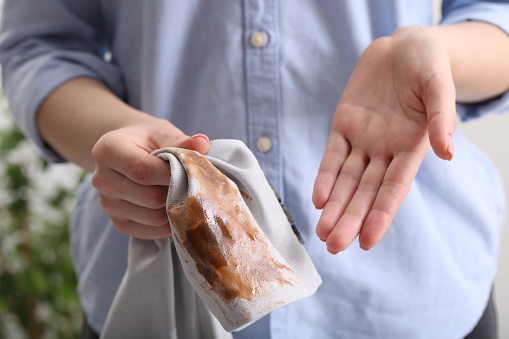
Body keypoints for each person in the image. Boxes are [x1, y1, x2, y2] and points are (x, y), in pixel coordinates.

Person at [1, 0, 508, 338]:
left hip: (415, 289)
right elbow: (41, 46)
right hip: (165, 297)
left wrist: (441, 53)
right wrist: (127, 137)